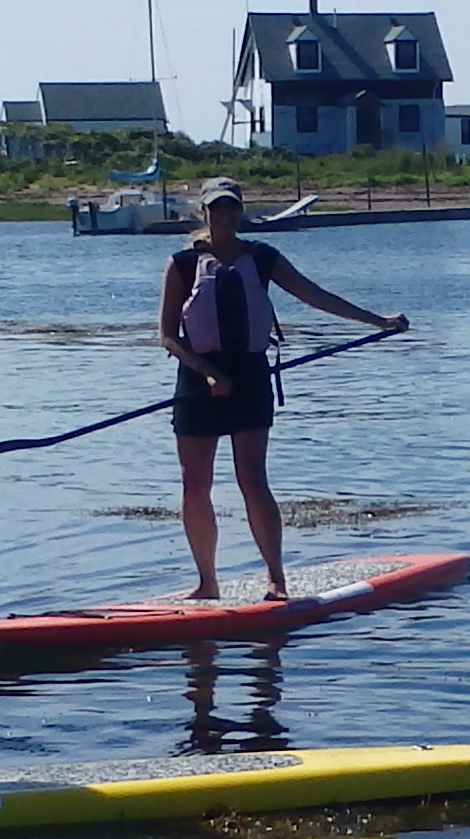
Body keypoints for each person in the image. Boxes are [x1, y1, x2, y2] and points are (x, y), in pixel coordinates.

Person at [160, 181, 408, 601]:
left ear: (240, 212)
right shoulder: (182, 264)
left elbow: (316, 296)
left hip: (250, 377)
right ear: (204, 212)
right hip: (198, 379)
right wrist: (206, 372)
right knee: (194, 483)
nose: (226, 215)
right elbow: (167, 335)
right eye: (217, 208)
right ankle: (207, 582)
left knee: (252, 479)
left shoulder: (262, 257)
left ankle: (276, 579)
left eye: (232, 208)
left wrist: (377, 321)